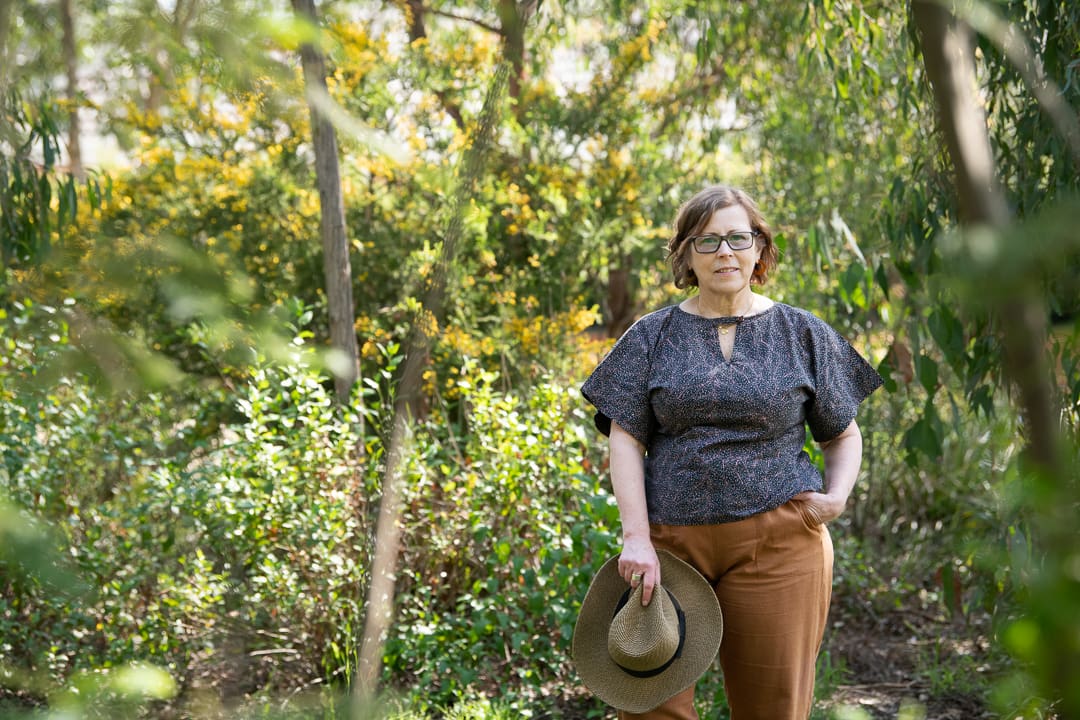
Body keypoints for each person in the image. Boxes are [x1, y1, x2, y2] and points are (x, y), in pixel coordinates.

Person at [580, 184, 882, 720]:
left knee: (772, 709)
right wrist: (636, 539)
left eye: (738, 238)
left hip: (779, 544)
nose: (725, 252)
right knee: (650, 708)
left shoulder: (801, 332)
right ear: (686, 256)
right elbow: (625, 437)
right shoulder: (651, 335)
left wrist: (834, 499)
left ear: (760, 250)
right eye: (708, 241)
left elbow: (843, 433)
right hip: (669, 549)